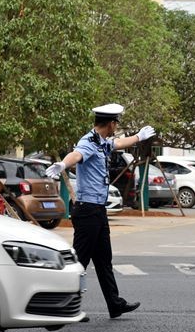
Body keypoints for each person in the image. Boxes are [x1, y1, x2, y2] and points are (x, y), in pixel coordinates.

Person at [46, 103, 155, 319]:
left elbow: (119, 143)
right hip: (87, 212)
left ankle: (115, 304)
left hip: (97, 211)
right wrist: (62, 165)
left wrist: (138, 137)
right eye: (116, 123)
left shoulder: (102, 141)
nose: (116, 127)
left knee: (104, 260)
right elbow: (76, 155)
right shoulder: (88, 142)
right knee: (78, 263)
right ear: (111, 123)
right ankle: (62, 307)